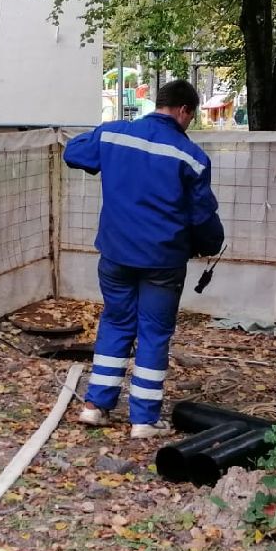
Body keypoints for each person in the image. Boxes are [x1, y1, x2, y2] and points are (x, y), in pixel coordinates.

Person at [62, 79, 225, 437]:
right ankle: (143, 421)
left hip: (116, 254)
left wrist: (105, 145)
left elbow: (73, 152)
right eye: (191, 116)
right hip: (163, 262)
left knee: (117, 322)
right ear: (183, 110)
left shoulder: (115, 135)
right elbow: (201, 216)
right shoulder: (191, 157)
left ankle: (95, 407)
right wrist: (212, 243)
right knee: (153, 333)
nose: (189, 123)